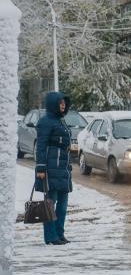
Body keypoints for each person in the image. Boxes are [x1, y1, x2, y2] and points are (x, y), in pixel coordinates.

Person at [35, 92, 73, 245]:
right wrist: (41, 168)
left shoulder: (60, 121)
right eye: (60, 103)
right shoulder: (45, 122)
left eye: (64, 103)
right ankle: (51, 236)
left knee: (63, 206)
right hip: (50, 169)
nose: (63, 106)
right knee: (50, 204)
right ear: (53, 104)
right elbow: (41, 147)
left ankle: (59, 233)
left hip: (63, 169)